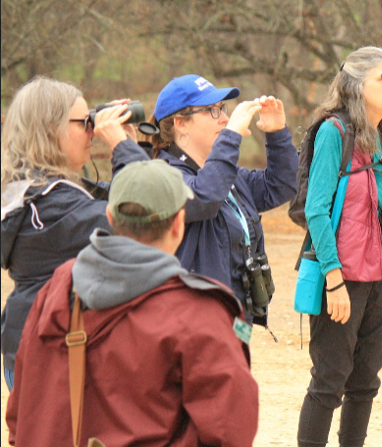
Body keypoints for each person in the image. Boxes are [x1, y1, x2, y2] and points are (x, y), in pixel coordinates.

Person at [6, 160, 259, 446]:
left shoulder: (58, 286)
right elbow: (231, 429)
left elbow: (21, 409)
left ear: (110, 218)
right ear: (179, 224)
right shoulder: (199, 312)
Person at [1, 76, 151, 391]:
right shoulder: (46, 205)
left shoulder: (33, 192)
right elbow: (136, 216)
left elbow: (124, 198)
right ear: (50, 130)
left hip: (46, 347)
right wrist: (122, 149)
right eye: (85, 122)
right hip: (53, 356)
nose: (92, 131)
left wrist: (131, 146)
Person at [297, 46, 382, 447]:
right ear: (357, 85)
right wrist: (332, 278)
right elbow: (316, 210)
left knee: (365, 383)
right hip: (343, 279)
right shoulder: (335, 132)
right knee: (329, 381)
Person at [148, 74, 298, 326]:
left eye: (222, 109)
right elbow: (204, 198)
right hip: (192, 322)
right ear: (180, 124)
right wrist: (230, 136)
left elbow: (279, 186)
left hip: (235, 315)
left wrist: (277, 134)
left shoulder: (225, 172)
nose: (225, 118)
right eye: (212, 111)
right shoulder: (162, 176)